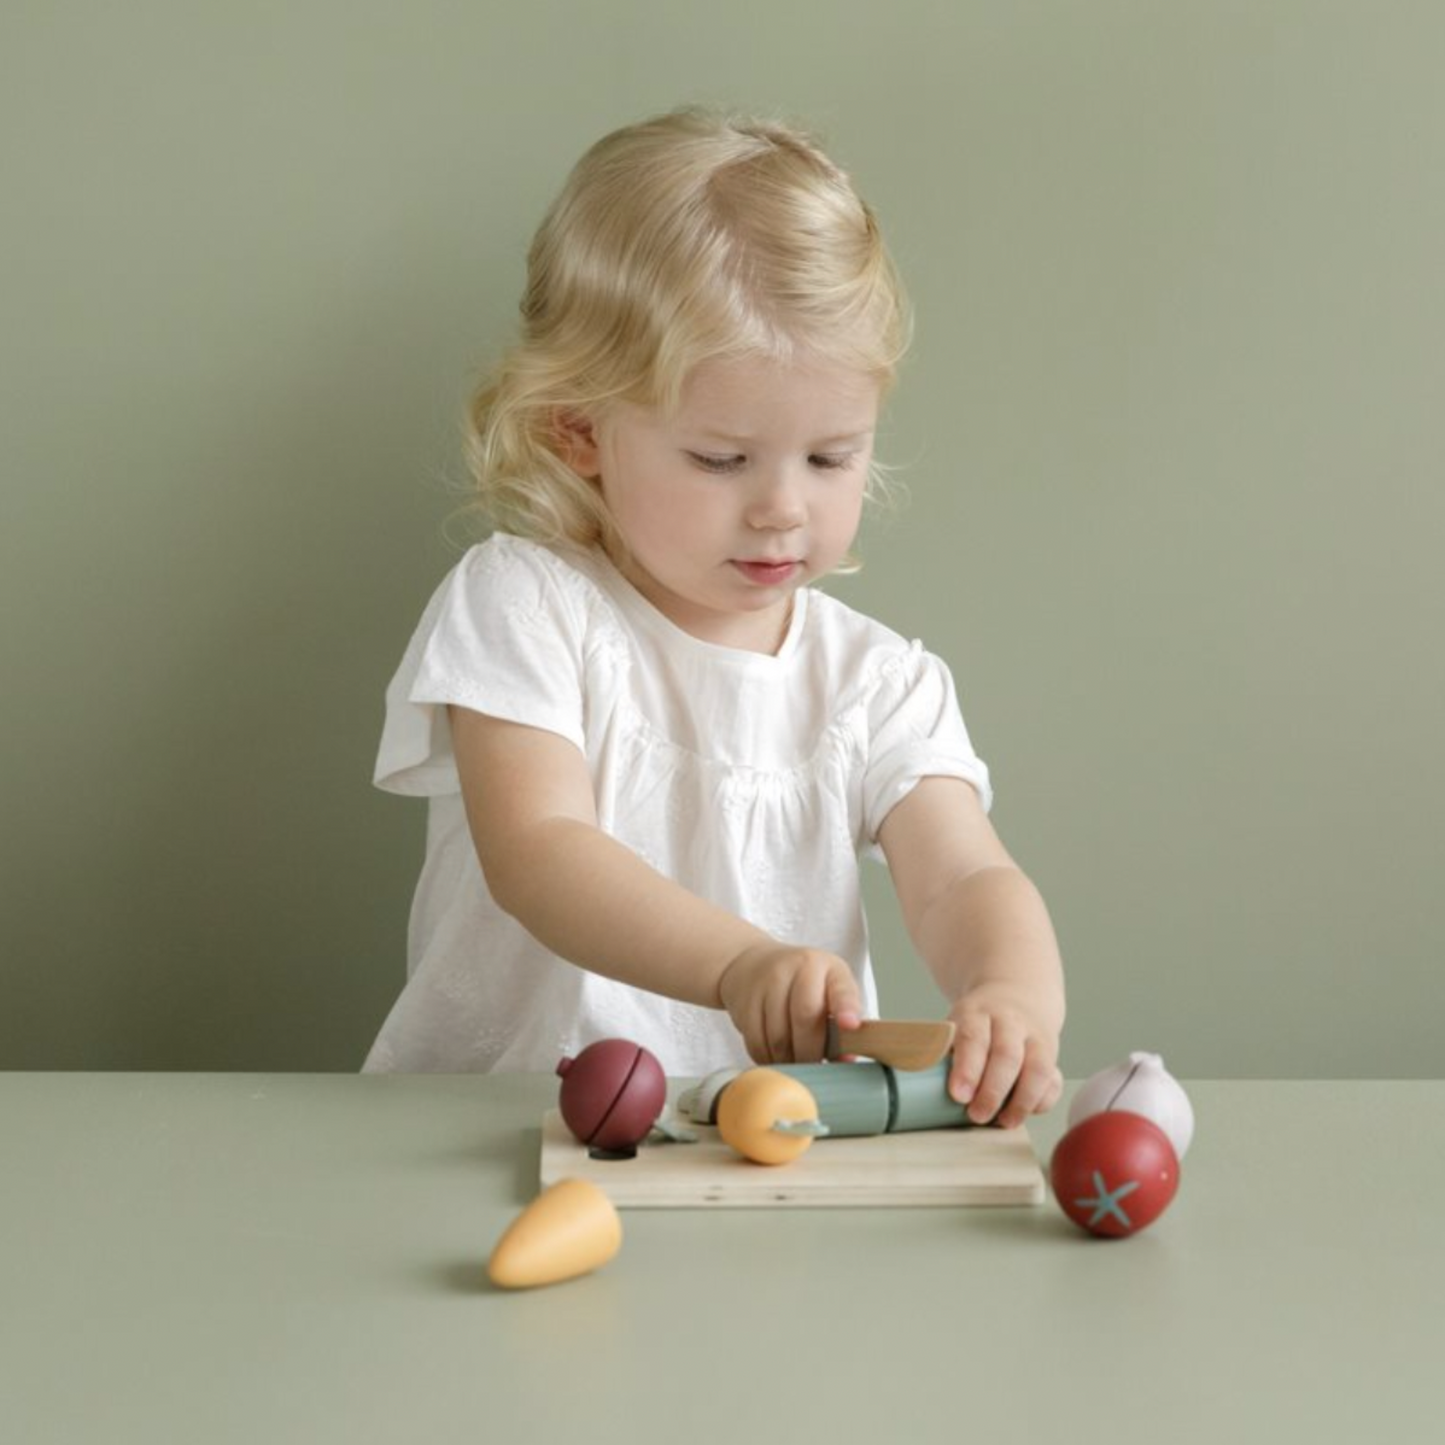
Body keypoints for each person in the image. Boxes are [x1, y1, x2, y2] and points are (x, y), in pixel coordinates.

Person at [364, 106, 1065, 1129]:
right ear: (580, 430)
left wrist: (1011, 997)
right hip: (491, 1132)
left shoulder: (874, 682)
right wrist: (737, 962)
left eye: (830, 457)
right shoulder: (522, 602)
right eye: (720, 458)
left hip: (763, 1151)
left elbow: (962, 874)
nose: (782, 504)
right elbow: (540, 846)